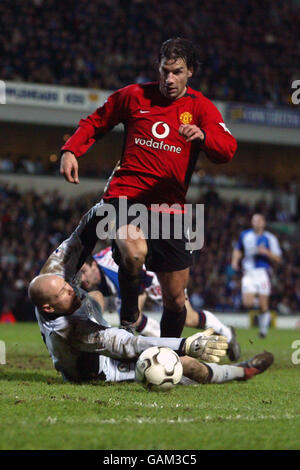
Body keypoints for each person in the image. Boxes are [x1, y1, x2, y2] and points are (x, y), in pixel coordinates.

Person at [59, 37, 237, 339]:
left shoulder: (201, 108)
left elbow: (228, 148)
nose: (169, 79)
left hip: (170, 210)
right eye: (165, 71)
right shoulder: (134, 96)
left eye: (177, 72)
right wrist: (70, 150)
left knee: (176, 300)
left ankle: (167, 353)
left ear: (190, 71)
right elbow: (95, 122)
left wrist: (204, 136)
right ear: (158, 68)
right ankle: (129, 320)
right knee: (132, 251)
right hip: (125, 198)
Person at [28, 272, 272, 386]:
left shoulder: (49, 299)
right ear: (49, 308)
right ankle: (241, 372)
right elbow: (128, 345)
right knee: (182, 363)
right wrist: (185, 344)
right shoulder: (71, 330)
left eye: (66, 285)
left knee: (94, 295)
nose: (70, 288)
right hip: (102, 371)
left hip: (86, 355)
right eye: (62, 291)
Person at [80, 247, 241, 360]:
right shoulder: (98, 270)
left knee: (188, 318)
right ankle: (167, 348)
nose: (83, 279)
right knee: (132, 318)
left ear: (94, 265)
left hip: (155, 275)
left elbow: (140, 285)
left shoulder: (111, 269)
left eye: (84, 272)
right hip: (144, 276)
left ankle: (226, 333)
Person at [231, 213, 282, 338]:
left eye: (259, 220)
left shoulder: (270, 238)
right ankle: (262, 310)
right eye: (254, 220)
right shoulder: (245, 235)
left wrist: (266, 252)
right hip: (248, 272)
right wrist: (235, 261)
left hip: (263, 273)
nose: (257, 222)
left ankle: (263, 331)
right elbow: (238, 249)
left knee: (264, 305)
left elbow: (278, 258)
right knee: (247, 303)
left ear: (264, 223)